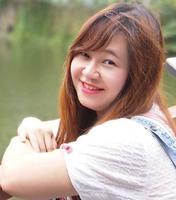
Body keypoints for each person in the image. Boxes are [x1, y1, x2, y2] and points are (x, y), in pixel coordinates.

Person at [1, 2, 176, 200]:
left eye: (109, 62)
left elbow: (12, 178)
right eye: (85, 54)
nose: (89, 72)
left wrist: (20, 140)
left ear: (139, 75)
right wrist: (31, 123)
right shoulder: (150, 114)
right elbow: (55, 127)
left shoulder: (127, 138)